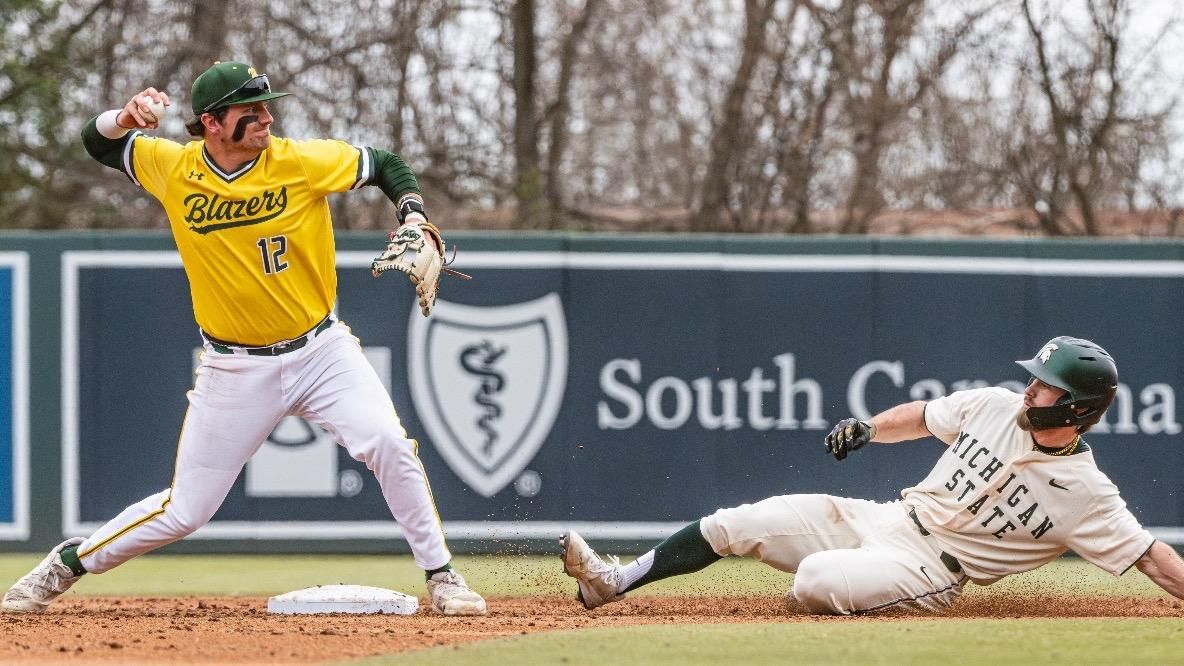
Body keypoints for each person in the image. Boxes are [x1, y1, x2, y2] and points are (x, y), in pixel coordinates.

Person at [2, 61, 486, 616]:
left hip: (321, 351)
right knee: (186, 511)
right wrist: (124, 115)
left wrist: (412, 210)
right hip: (233, 369)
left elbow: (384, 163)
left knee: (388, 445)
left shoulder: (300, 161)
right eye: (249, 111)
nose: (265, 118)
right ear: (211, 122)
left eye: (266, 107)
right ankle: (69, 562)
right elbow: (99, 142)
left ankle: (442, 574)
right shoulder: (174, 167)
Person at [561, 336, 1184, 614]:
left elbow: (1153, 558)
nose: (1029, 391)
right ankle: (611, 583)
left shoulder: (1088, 493)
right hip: (886, 516)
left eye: (1045, 387)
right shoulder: (997, 405)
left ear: (1076, 407)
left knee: (813, 581)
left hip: (932, 571)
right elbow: (923, 416)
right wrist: (868, 427)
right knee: (735, 522)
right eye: (1033, 378)